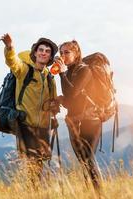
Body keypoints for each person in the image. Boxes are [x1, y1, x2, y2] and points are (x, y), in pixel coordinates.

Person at [0, 33, 58, 181]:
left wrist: (54, 106)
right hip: (25, 123)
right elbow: (12, 61)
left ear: (50, 57)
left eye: (47, 51)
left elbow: (54, 104)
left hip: (44, 127)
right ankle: (33, 192)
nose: (43, 53)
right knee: (32, 163)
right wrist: (9, 47)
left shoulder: (50, 79)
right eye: (41, 50)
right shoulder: (24, 70)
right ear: (35, 52)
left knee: (38, 165)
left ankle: (34, 192)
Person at [55, 40, 102, 190]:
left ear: (76, 54)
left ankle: (99, 194)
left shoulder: (85, 70)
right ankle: (89, 192)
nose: (63, 56)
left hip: (90, 120)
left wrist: (61, 73)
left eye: (67, 52)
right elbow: (69, 101)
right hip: (74, 120)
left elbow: (73, 94)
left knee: (88, 157)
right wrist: (61, 99)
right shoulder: (68, 72)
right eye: (61, 53)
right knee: (83, 160)